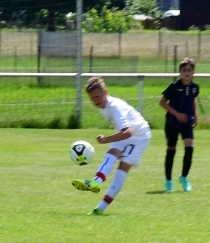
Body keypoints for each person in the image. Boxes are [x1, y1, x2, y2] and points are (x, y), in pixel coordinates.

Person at [72, 76, 151, 215]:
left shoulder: (115, 106)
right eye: (92, 98)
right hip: (127, 133)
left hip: (139, 137)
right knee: (111, 154)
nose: (95, 101)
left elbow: (128, 132)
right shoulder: (103, 104)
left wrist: (106, 139)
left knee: (121, 170)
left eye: (97, 96)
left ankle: (101, 208)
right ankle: (96, 182)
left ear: (105, 92)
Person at [159, 57, 199, 192]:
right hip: (172, 122)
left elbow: (193, 100)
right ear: (180, 72)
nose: (186, 72)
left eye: (189, 70)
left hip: (187, 122)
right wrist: (177, 114)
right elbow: (162, 102)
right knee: (171, 150)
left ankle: (184, 177)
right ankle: (168, 180)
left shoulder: (194, 88)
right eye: (184, 70)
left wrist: (195, 116)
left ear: (193, 72)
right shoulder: (174, 87)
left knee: (190, 148)